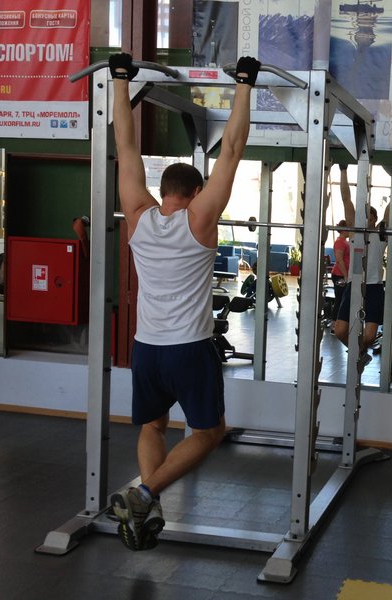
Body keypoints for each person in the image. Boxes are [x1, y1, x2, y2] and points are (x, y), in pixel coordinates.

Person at [108, 52, 260, 551]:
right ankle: (144, 492)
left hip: (146, 349)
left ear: (161, 191)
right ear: (195, 192)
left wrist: (119, 80)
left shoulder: (137, 215)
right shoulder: (199, 220)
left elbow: (125, 143)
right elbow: (232, 149)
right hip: (189, 349)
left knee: (154, 425)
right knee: (210, 433)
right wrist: (243, 83)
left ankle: (144, 511)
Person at [333, 165, 390, 366]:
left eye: (368, 216)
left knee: (370, 336)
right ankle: (359, 354)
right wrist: (343, 171)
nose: (364, 219)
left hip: (374, 287)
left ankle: (360, 352)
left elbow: (390, 212)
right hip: (353, 286)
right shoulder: (354, 233)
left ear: (374, 219)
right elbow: (346, 198)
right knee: (339, 331)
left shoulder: (381, 235)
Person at [330, 220, 351, 322]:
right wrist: (345, 275)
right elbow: (339, 260)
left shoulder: (345, 242)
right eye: (348, 228)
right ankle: (335, 323)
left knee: (343, 299)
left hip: (343, 274)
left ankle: (340, 323)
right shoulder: (339, 242)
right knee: (339, 300)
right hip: (339, 275)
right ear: (344, 229)